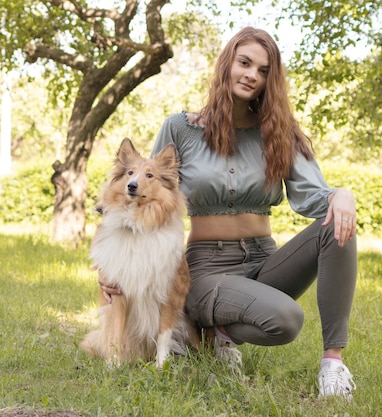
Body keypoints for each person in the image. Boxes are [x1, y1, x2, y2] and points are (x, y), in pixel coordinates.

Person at [100, 27, 358, 399]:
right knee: (286, 320)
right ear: (227, 66)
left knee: (336, 223)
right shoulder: (181, 129)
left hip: (264, 259)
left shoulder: (281, 133)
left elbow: (315, 196)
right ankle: (217, 334)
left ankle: (333, 367)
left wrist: (342, 195)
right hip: (207, 267)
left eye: (264, 70)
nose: (252, 74)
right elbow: (140, 197)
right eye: (245, 63)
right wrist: (111, 268)